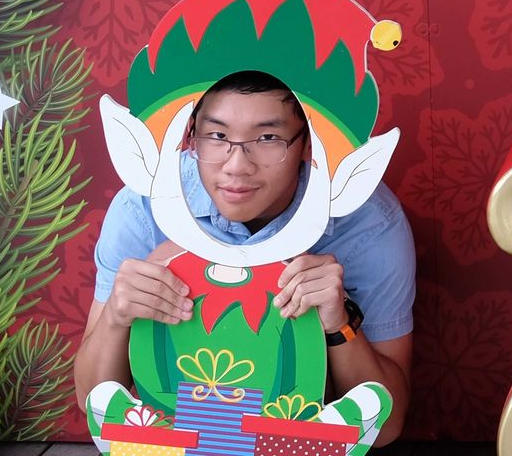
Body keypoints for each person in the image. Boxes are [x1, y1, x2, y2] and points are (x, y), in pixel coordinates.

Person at [72, 69, 415, 446]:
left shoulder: (369, 222)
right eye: (217, 136)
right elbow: (91, 402)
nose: (236, 165)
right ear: (190, 137)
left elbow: (386, 428)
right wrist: (117, 315)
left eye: (268, 138)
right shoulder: (142, 208)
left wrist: (340, 324)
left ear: (309, 144)